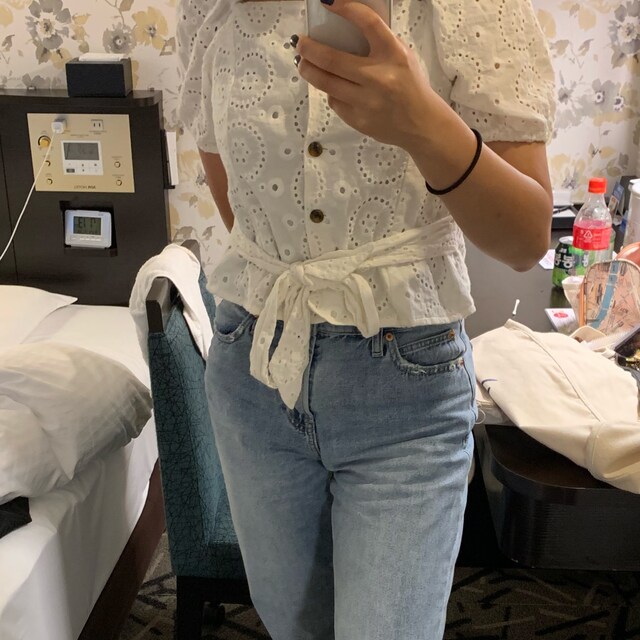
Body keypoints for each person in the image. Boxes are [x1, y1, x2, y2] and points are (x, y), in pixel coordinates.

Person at [176, 0, 556, 637]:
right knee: (295, 629)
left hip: (406, 397)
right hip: (255, 373)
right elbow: (240, 210)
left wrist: (422, 123)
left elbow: (525, 240)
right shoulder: (211, 8)